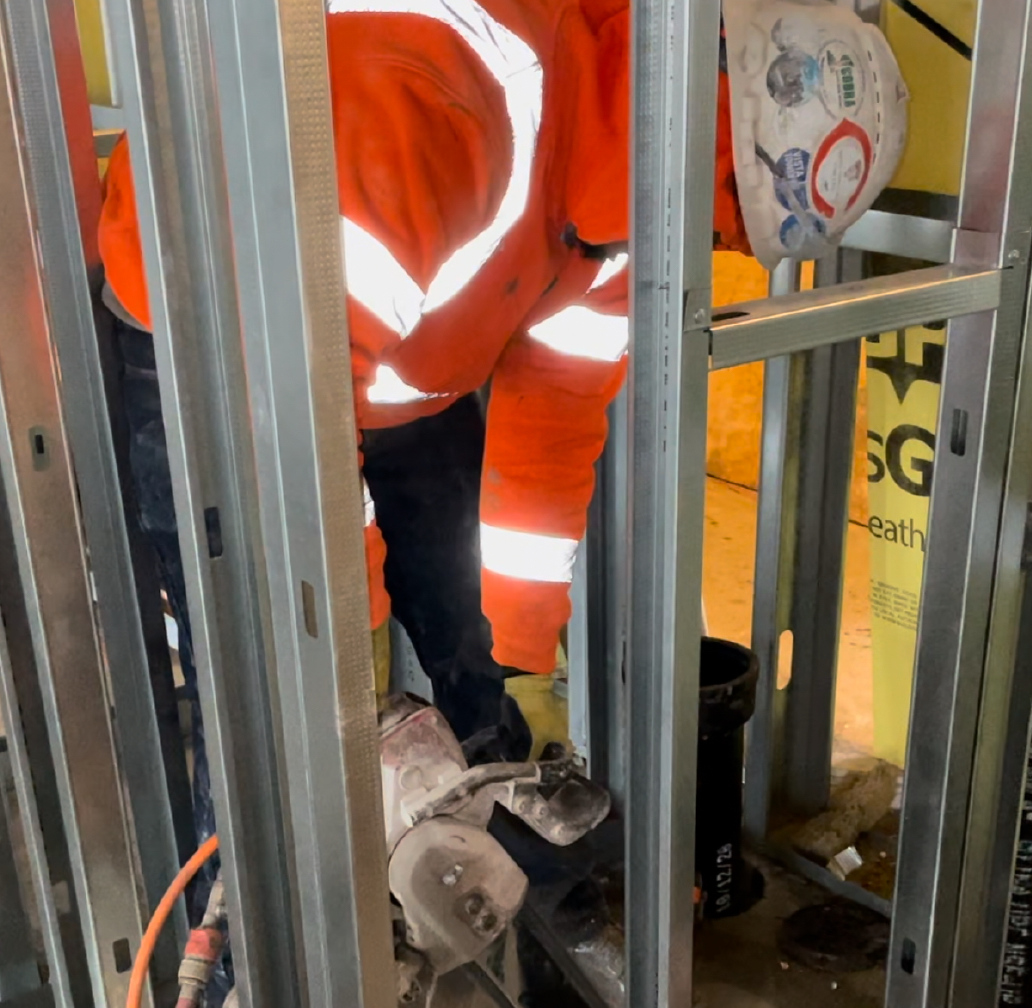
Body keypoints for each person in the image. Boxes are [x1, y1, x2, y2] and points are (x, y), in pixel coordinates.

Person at [98, 0, 905, 874]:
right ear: (706, 123)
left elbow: (554, 420)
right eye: (720, 215)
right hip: (214, 377)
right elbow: (286, 436)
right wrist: (357, 687)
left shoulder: (627, 202)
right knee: (277, 709)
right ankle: (256, 971)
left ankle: (495, 867)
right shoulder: (435, 103)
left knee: (469, 649)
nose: (711, 246)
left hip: (392, 373)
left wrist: (519, 654)